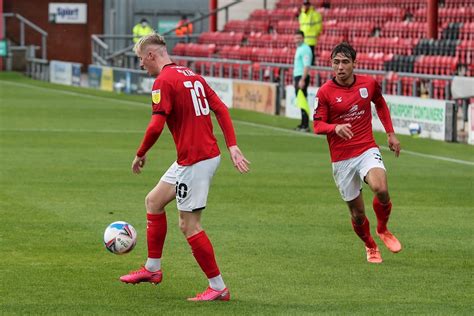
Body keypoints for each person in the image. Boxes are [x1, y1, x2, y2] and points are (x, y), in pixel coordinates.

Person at [119, 33, 250, 301]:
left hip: (196, 159)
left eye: (141, 59)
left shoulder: (162, 81)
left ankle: (218, 287)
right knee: (154, 201)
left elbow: (156, 125)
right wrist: (232, 145)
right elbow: (221, 109)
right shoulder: (193, 75)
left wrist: (141, 153)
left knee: (189, 225)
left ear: (152, 55)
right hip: (194, 156)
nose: (141, 65)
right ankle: (152, 269)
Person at [313, 42, 402, 264]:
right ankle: (370, 245)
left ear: (355, 63)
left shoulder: (368, 84)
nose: (340, 67)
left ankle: (383, 229)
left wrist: (390, 134)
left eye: (345, 62)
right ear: (331, 64)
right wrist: (335, 127)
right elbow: (317, 125)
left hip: (366, 148)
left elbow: (380, 103)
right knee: (358, 214)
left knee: (380, 188)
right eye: (336, 62)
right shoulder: (325, 92)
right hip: (342, 159)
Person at [293, 30, 313, 132]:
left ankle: (305, 125)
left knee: (303, 100)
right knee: (301, 100)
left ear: (303, 38)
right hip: (298, 76)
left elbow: (306, 66)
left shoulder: (305, 49)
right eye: (296, 38)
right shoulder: (299, 48)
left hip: (302, 76)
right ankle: (303, 124)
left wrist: (302, 79)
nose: (297, 40)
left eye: (299, 38)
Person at [299, 0, 323, 65]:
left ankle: (311, 66)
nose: (305, 6)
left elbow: (319, 26)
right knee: (304, 54)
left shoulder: (314, 14)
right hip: (303, 39)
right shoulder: (301, 15)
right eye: (304, 4)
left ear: (309, 5)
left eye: (307, 4)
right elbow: (301, 26)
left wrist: (316, 33)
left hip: (311, 39)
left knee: (310, 53)